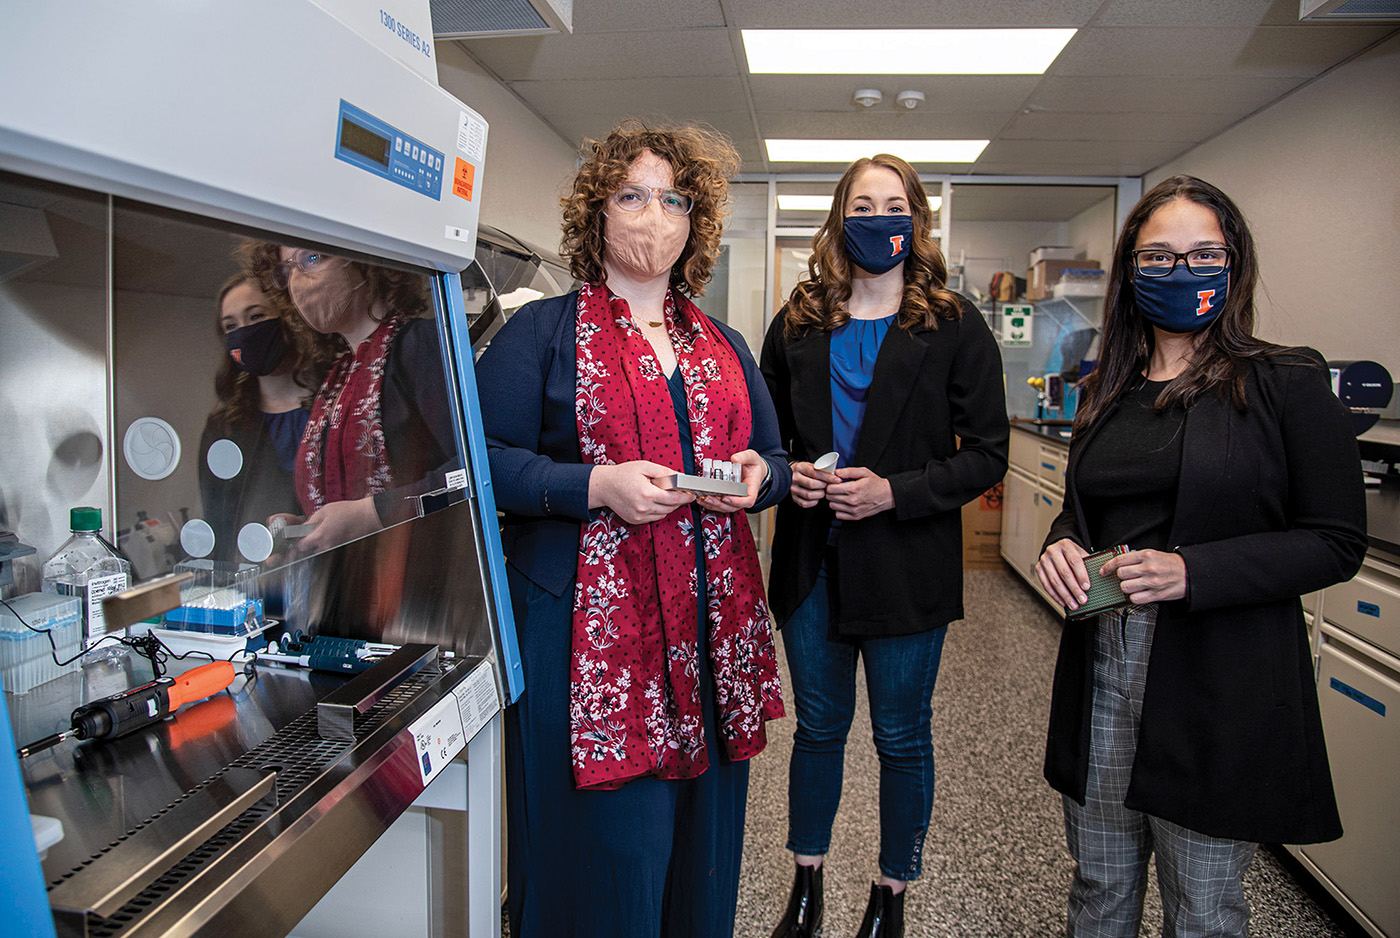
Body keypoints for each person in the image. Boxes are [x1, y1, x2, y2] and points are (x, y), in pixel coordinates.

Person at [474, 122, 791, 938]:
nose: (654, 214)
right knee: (606, 853)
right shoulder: (541, 334)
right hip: (589, 640)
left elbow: (775, 458)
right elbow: (482, 462)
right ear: (597, 214)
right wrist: (594, 486)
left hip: (709, 641)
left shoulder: (724, 345)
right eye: (632, 195)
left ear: (695, 222)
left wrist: (757, 481)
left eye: (673, 199)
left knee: (699, 854)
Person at [1034, 175, 1367, 937]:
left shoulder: (1285, 381)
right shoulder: (1105, 388)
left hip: (1216, 675)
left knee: (1203, 907)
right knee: (1100, 884)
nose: (1181, 272)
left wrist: (1193, 571)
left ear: (1234, 263)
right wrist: (1062, 543)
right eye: (1159, 257)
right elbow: (1085, 508)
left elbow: (1335, 540)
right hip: (1105, 661)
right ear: (1131, 270)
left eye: (1203, 254)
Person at [760, 154, 1009, 938]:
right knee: (818, 730)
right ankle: (806, 888)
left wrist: (894, 492)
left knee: (902, 736)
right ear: (840, 219)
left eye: (893, 205)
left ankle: (891, 893)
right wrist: (790, 475)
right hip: (813, 564)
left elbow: (987, 455)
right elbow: (765, 441)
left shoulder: (953, 323)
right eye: (862, 206)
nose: (878, 220)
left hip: (906, 564)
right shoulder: (798, 322)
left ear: (917, 219)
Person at [239, 242, 457, 556]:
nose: (297, 282)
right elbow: (344, 501)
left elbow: (472, 471)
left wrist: (373, 514)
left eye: (312, 258)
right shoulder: (336, 381)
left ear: (365, 259)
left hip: (428, 570)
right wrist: (309, 527)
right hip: (354, 577)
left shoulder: (421, 344)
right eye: (287, 270)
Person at [198, 273, 333, 560]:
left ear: (288, 318)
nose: (244, 333)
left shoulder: (338, 401)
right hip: (261, 575)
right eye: (231, 326)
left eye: (256, 316)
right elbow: (218, 523)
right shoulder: (224, 427)